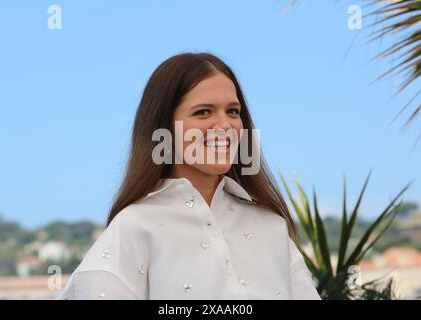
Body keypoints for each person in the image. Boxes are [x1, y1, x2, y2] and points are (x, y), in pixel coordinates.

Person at [56, 52, 321, 300]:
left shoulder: (271, 226)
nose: (225, 125)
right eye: (203, 112)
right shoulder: (135, 226)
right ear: (164, 126)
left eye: (233, 111)